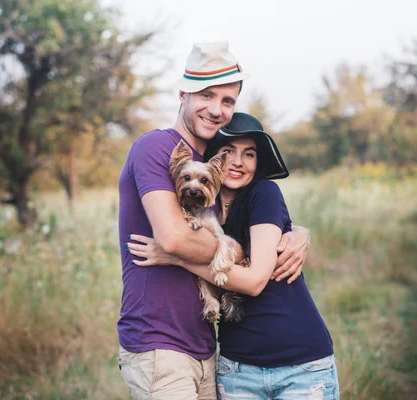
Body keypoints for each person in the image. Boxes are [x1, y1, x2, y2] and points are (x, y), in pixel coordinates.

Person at [117, 42, 310, 399]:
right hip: (160, 343)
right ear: (183, 94)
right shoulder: (156, 147)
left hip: (206, 346)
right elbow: (174, 238)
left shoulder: (216, 168)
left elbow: (251, 226)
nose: (217, 109)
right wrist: (233, 256)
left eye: (228, 101)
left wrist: (296, 233)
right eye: (206, 95)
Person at [127, 112, 339, 399]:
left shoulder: (264, 194)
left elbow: (253, 282)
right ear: (216, 159)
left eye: (249, 154)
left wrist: (177, 257)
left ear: (257, 163)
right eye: (229, 152)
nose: (238, 162)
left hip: (298, 361)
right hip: (236, 367)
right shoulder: (199, 211)